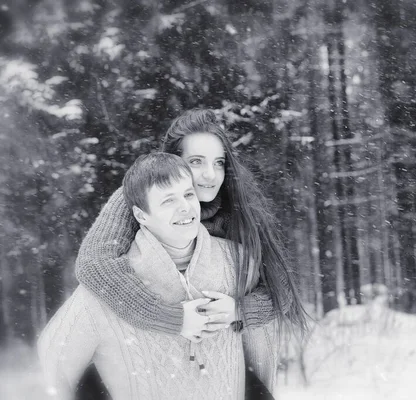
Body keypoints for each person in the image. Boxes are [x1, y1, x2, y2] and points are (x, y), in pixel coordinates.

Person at [74, 109, 307, 395]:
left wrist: (239, 309)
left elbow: (280, 286)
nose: (210, 175)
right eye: (196, 162)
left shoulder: (237, 207)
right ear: (173, 162)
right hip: (137, 357)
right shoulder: (140, 196)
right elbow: (95, 264)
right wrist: (171, 317)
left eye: (219, 162)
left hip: (220, 357)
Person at [38, 153, 244, 400]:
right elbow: (54, 359)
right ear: (141, 215)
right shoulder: (107, 287)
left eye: (189, 195)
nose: (185, 207)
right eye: (168, 200)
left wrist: (241, 309)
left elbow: (267, 339)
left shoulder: (237, 261)